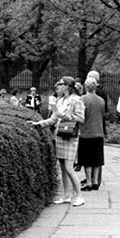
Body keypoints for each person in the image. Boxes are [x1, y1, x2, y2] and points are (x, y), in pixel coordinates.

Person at [30, 76, 86, 206]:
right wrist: (39, 123)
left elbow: (81, 118)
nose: (58, 86)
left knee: (69, 167)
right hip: (60, 134)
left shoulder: (76, 100)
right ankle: (67, 195)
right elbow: (54, 119)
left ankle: (79, 196)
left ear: (67, 86)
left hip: (70, 136)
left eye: (60, 84)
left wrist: (65, 116)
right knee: (63, 167)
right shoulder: (60, 100)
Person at [79, 76, 107, 191]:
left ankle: (89, 182)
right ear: (96, 87)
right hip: (98, 132)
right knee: (97, 159)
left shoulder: (82, 99)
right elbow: (103, 115)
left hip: (86, 132)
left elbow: (81, 116)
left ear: (86, 87)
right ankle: (95, 181)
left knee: (87, 159)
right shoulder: (101, 100)